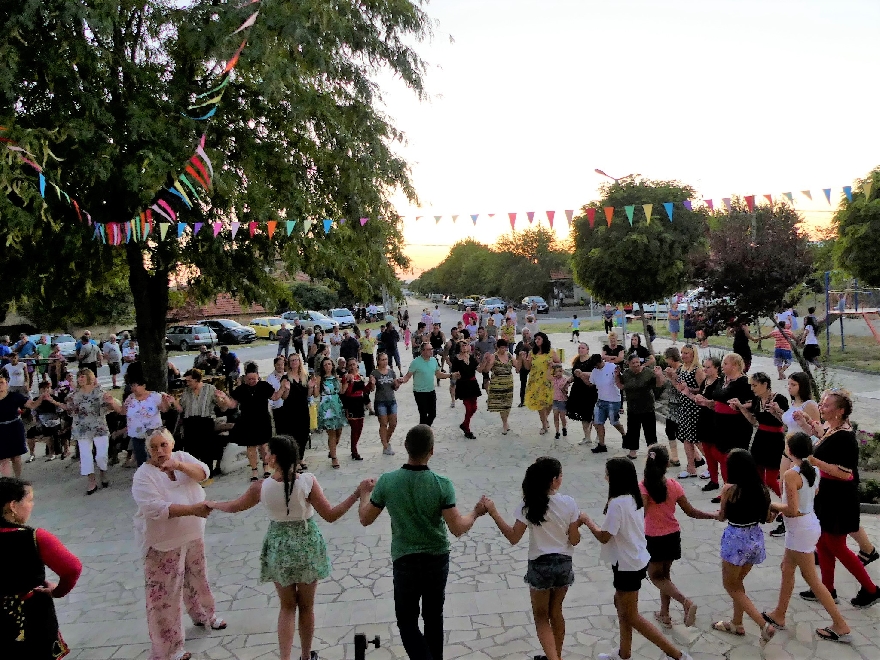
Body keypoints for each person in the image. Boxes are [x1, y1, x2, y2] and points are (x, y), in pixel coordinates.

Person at [206, 436, 374, 660]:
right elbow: (331, 515)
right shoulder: (308, 482)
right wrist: (357, 493)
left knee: (286, 607)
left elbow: (235, 506)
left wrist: (213, 504)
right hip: (306, 544)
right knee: (306, 607)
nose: (265, 455)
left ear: (274, 458)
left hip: (279, 546)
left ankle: (284, 658)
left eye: (267, 453)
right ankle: (306, 656)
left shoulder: (261, 487)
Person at [358, 425, 487, 660]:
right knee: (433, 617)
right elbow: (457, 527)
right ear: (432, 451)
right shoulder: (441, 484)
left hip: (405, 559)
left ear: (406, 447)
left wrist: (364, 493)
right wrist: (476, 512)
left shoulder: (388, 482)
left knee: (407, 622)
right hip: (437, 559)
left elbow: (365, 518)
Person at [580, 458, 693, 660]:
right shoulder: (634, 498)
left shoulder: (617, 504)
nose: (605, 476)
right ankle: (624, 653)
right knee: (622, 605)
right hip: (634, 559)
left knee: (631, 615)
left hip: (627, 565)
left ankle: (677, 655)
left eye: (607, 473)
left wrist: (587, 521)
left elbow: (604, 536)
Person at [132, 428, 224, 660]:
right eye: (154, 447)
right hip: (163, 543)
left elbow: (204, 472)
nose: (160, 451)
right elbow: (155, 508)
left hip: (193, 535)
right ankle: (169, 648)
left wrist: (179, 466)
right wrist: (194, 509)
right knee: (164, 595)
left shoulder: (182, 458)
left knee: (198, 577)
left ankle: (206, 615)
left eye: (164, 445)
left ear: (172, 444)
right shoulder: (144, 475)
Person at [481, 457, 584, 660]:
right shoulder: (569, 503)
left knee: (541, 617)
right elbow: (574, 540)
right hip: (564, 564)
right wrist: (578, 524)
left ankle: (552, 658)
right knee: (556, 613)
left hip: (539, 565)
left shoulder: (528, 505)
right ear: (554, 480)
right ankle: (557, 656)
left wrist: (493, 512)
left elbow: (513, 536)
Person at [761, 432, 852, 643]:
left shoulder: (791, 475)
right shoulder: (814, 471)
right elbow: (812, 495)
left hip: (800, 529)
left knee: (812, 579)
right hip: (806, 525)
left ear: (790, 451)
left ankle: (840, 624)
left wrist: (771, 506)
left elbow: (791, 510)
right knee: (787, 568)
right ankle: (779, 614)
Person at [794, 389, 880, 608]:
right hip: (828, 495)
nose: (822, 407)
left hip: (840, 499)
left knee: (837, 546)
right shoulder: (834, 429)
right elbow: (823, 440)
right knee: (822, 543)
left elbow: (845, 473)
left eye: (827, 405)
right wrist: (808, 425)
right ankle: (826, 589)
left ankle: (871, 590)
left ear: (840, 411)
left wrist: (814, 461)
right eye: (822, 404)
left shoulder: (845, 437)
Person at [0, 476, 82, 659]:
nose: (32, 505)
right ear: (13, 506)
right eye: (29, 500)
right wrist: (58, 591)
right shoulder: (35, 538)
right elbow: (72, 568)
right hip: (31, 618)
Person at [640, 446, 715, 628]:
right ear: (667, 464)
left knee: (655, 576)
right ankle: (664, 614)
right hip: (672, 535)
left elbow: (639, 514)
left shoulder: (643, 487)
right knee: (665, 576)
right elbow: (691, 511)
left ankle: (685, 602)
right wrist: (713, 515)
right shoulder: (674, 485)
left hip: (653, 537)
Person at [713, 449, 776, 641]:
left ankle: (763, 625)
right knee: (738, 583)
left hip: (735, 540)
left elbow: (722, 516)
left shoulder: (730, 489)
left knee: (730, 585)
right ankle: (736, 623)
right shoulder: (762, 489)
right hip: (755, 538)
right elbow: (767, 518)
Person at [43, 369, 112, 494]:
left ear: (89, 378)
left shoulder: (99, 392)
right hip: (81, 428)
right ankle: (91, 481)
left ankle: (103, 472)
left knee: (101, 455)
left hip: (99, 426)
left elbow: (109, 405)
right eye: (79, 376)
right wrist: (53, 401)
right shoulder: (73, 394)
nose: (80, 379)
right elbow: (67, 408)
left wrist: (111, 402)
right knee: (85, 455)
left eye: (83, 376)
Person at [695, 353, 752, 502]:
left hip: (735, 425)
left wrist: (740, 406)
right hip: (719, 422)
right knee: (718, 453)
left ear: (735, 365)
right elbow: (717, 400)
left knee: (728, 458)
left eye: (725, 363)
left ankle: (731, 491)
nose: (722, 366)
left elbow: (752, 402)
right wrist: (706, 402)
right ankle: (727, 487)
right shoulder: (722, 380)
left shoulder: (744, 382)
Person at [98, 363, 176, 468]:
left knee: (157, 458)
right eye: (132, 385)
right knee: (141, 460)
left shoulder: (155, 396)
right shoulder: (130, 398)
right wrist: (112, 402)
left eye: (136, 385)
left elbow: (164, 410)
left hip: (153, 434)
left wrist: (166, 401)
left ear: (144, 385)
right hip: (136, 435)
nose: (134, 388)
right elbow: (122, 411)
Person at [729, 372, 788, 496]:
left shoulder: (779, 399)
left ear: (765, 384)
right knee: (758, 477)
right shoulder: (757, 399)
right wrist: (741, 407)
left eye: (755, 385)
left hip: (774, 440)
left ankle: (786, 502)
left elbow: (786, 423)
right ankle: (763, 503)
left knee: (771, 479)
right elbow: (753, 421)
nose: (752, 388)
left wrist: (777, 412)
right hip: (760, 438)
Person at [225, 362, 284, 480]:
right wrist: (223, 398)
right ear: (245, 378)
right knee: (251, 447)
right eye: (249, 379)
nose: (251, 381)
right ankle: (254, 471)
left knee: (264, 445)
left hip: (262, 419)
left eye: (254, 379)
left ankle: (266, 467)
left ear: (258, 376)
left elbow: (275, 397)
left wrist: (283, 388)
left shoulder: (264, 386)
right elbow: (232, 404)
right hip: (247, 420)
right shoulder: (241, 389)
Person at [171, 368, 231, 477]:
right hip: (190, 422)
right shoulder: (186, 392)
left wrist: (219, 398)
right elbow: (181, 409)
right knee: (190, 450)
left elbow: (223, 408)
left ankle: (207, 473)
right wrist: (173, 402)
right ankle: (193, 473)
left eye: (190, 381)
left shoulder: (210, 389)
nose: (187, 383)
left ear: (197, 380)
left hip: (205, 421)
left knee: (206, 449)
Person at [664, 346, 706, 478]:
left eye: (687, 353)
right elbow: (679, 387)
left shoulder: (697, 370)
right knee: (687, 439)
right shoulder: (683, 368)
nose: (683, 355)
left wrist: (689, 390)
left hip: (695, 409)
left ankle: (712, 467)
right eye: (682, 353)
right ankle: (691, 468)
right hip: (684, 408)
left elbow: (703, 389)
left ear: (693, 354)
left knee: (698, 440)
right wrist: (672, 378)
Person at [0, 373, 52, 477]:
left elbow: (32, 405)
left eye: (1, 382)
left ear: (7, 384)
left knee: (16, 457)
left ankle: (17, 480)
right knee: (3, 458)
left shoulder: (14, 397)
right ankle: (7, 483)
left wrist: (41, 398)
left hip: (14, 427)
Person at [616, 355, 665, 459]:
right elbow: (621, 386)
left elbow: (659, 384)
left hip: (647, 406)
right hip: (632, 407)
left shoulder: (648, 372)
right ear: (628, 364)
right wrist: (616, 376)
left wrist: (659, 375)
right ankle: (632, 452)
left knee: (650, 431)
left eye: (637, 362)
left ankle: (652, 451)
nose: (636, 365)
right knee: (633, 430)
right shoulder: (626, 374)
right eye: (633, 363)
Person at [399, 342, 452, 427]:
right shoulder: (416, 362)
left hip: (431, 391)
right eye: (429, 349)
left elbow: (438, 374)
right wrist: (401, 380)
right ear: (422, 351)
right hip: (419, 392)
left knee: (432, 414)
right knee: (423, 415)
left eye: (432, 349)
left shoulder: (434, 360)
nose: (431, 351)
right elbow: (407, 376)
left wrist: (451, 375)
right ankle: (423, 434)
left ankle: (424, 430)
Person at [276, 354, 312, 471]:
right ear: (289, 363)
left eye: (296, 360)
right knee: (294, 436)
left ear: (299, 361)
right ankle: (295, 461)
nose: (294, 362)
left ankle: (301, 457)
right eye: (291, 361)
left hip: (303, 409)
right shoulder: (286, 378)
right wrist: (286, 389)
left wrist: (311, 387)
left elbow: (308, 395)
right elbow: (284, 398)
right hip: (290, 410)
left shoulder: (305, 376)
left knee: (304, 434)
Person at [314, 357, 347, 469]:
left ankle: (332, 449)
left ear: (332, 365)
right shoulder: (320, 378)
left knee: (339, 431)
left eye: (329, 364)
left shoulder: (336, 377)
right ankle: (334, 457)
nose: (327, 366)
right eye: (325, 365)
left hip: (337, 405)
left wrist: (346, 382)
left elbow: (341, 391)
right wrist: (314, 386)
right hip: (326, 407)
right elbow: (316, 394)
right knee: (332, 432)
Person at [523, 332, 558, 435]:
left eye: (538, 338)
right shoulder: (532, 353)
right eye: (535, 339)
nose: (536, 340)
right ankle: (544, 425)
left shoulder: (551, 352)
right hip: (536, 381)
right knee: (540, 403)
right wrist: (525, 359)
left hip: (548, 380)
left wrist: (553, 364)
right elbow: (528, 367)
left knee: (550, 402)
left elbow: (559, 363)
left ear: (544, 340)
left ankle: (545, 418)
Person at [566, 344, 601, 446]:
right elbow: (574, 375)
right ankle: (587, 437)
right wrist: (568, 382)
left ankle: (599, 435)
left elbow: (595, 373)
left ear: (587, 350)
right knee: (583, 416)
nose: (580, 350)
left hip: (589, 390)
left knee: (593, 415)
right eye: (579, 348)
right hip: (578, 390)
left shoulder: (591, 361)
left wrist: (582, 373)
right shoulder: (577, 361)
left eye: (583, 348)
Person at [480, 339, 516, 435]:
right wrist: (487, 362)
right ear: (498, 347)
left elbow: (517, 366)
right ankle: (504, 423)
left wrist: (522, 358)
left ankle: (506, 420)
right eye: (501, 348)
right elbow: (487, 370)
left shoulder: (509, 355)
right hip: (497, 383)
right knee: (501, 404)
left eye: (505, 347)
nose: (503, 350)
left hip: (508, 382)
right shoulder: (494, 356)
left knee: (508, 403)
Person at [590, 359, 625, 454]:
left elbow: (621, 382)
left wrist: (618, 375)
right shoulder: (594, 371)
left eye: (597, 365)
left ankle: (624, 435)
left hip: (613, 401)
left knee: (614, 422)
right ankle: (602, 445)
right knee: (598, 422)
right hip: (601, 400)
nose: (596, 368)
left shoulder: (612, 367)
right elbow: (591, 383)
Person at [370, 352, 400, 456]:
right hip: (380, 401)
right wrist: (372, 383)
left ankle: (385, 441)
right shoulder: (375, 373)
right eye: (382, 359)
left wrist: (397, 383)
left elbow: (395, 387)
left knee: (393, 423)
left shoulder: (391, 372)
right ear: (378, 361)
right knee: (383, 423)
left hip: (391, 400)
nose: (385, 361)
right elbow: (372, 389)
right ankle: (386, 446)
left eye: (386, 359)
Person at [450, 340, 481, 439]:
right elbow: (454, 373)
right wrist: (455, 377)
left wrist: (485, 361)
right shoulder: (456, 359)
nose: (465, 347)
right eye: (462, 345)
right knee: (468, 407)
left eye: (466, 345)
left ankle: (464, 424)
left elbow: (479, 369)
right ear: (459, 347)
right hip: (463, 385)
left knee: (474, 408)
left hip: (473, 384)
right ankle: (467, 429)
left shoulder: (471, 357)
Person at [341, 358, 367, 460]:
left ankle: (354, 447)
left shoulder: (360, 376)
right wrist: (350, 382)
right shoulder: (346, 377)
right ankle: (354, 450)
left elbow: (364, 390)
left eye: (354, 364)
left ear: (357, 365)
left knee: (360, 427)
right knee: (354, 428)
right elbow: (345, 392)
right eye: (350, 365)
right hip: (351, 402)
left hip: (359, 402)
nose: (352, 366)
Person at [547, 363, 572, 440]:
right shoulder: (553, 379)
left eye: (561, 371)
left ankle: (564, 427)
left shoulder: (564, 380)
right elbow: (547, 376)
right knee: (555, 416)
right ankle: (557, 431)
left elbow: (570, 378)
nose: (559, 373)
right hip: (555, 400)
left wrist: (565, 386)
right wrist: (549, 367)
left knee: (562, 417)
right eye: (557, 371)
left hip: (562, 400)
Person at [514, 328, 533, 408]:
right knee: (523, 383)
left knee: (533, 382)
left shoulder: (534, 343)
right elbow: (517, 356)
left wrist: (529, 347)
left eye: (527, 333)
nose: (526, 335)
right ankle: (522, 401)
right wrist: (517, 366)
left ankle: (532, 399)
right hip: (522, 367)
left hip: (532, 365)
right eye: (524, 333)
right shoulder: (520, 344)